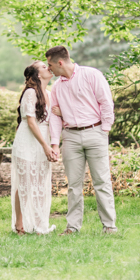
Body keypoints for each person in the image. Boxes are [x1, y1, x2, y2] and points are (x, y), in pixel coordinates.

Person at [46, 45, 117, 235]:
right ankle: (72, 227)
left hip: (95, 132)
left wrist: (105, 130)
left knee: (102, 181)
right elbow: (54, 116)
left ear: (60, 62)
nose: (49, 69)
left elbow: (106, 102)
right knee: (73, 185)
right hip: (70, 137)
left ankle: (109, 226)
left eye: (50, 64)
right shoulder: (57, 87)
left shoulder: (92, 75)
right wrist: (55, 143)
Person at [11, 61, 58, 235]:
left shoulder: (49, 93)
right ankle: (19, 224)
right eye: (44, 67)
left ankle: (40, 224)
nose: (49, 67)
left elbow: (53, 119)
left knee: (40, 182)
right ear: (38, 75)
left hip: (43, 140)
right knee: (25, 183)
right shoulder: (30, 93)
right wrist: (45, 146)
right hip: (27, 141)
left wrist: (52, 144)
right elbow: (31, 121)